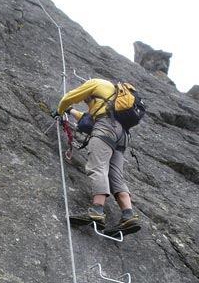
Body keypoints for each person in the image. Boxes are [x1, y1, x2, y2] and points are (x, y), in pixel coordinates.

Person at [54, 78, 140, 237]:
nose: (87, 102)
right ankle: (128, 216)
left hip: (106, 128)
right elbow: (88, 119)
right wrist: (71, 112)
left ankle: (96, 211)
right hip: (123, 136)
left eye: (87, 100)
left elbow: (68, 98)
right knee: (115, 176)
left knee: (97, 166)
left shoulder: (95, 83)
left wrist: (59, 111)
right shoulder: (113, 98)